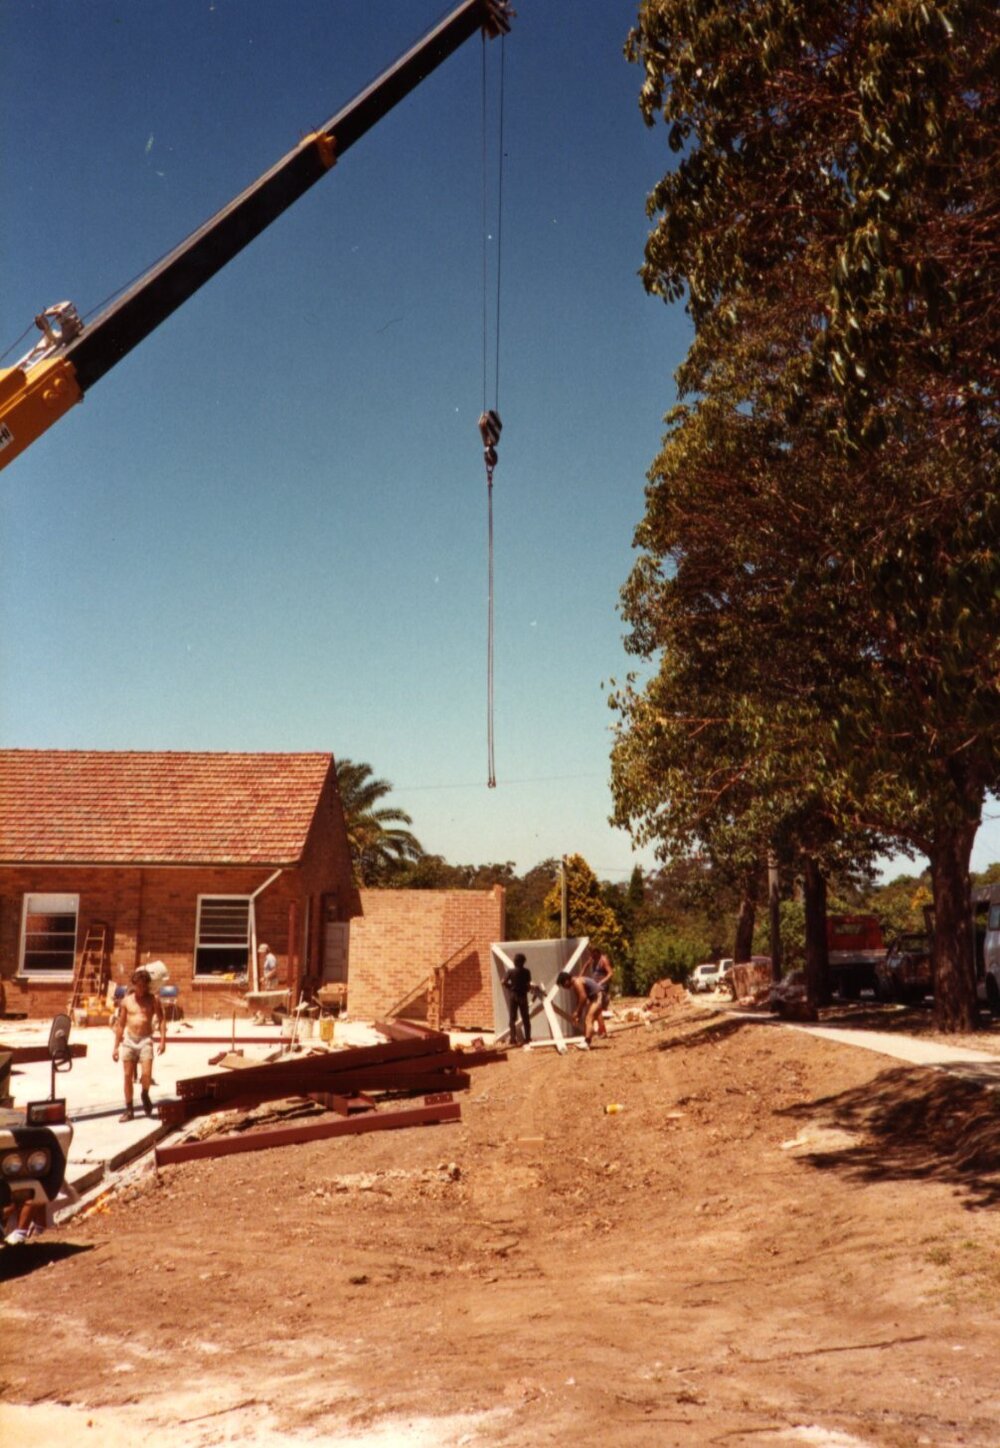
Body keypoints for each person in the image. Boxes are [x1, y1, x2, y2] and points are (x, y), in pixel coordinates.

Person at [112, 968, 166, 1122]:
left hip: (146, 1040)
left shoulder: (153, 1000)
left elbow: (161, 1020)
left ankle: (144, 1093)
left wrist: (162, 1041)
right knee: (128, 1075)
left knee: (147, 1074)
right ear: (134, 985)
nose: (142, 989)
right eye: (139, 986)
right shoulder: (127, 1001)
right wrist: (116, 1047)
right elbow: (121, 1025)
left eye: (144, 986)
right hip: (129, 1041)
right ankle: (129, 1110)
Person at [558, 969, 604, 1047]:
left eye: (563, 985)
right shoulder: (576, 983)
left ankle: (587, 1043)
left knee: (588, 1019)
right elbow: (580, 1001)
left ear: (566, 981)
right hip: (594, 997)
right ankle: (588, 1040)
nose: (564, 987)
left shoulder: (577, 982)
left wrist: (576, 1012)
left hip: (598, 996)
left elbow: (583, 998)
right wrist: (578, 1014)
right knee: (589, 1019)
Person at [505, 952, 533, 1046]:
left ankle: (513, 1039)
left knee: (512, 1018)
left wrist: (510, 987)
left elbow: (503, 981)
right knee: (525, 1017)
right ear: (523, 962)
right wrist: (527, 989)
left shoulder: (510, 971)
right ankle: (527, 1038)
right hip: (522, 996)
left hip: (513, 995)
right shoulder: (526, 972)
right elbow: (528, 985)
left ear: (515, 962)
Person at [586, 945, 613, 1039]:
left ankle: (602, 1031)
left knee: (597, 1009)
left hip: (602, 987)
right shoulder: (593, 960)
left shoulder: (603, 960)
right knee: (597, 1010)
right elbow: (586, 966)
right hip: (595, 987)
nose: (591, 956)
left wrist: (602, 982)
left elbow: (610, 973)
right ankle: (602, 1031)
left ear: (597, 952)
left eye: (592, 954)